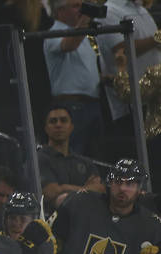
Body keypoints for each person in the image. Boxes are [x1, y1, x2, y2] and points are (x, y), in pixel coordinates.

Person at [42, 0, 102, 156]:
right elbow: (69, 45)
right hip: (71, 106)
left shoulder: (83, 34)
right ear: (60, 11)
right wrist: (84, 21)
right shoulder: (53, 33)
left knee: (94, 156)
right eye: (76, 6)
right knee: (74, 154)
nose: (81, 10)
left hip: (93, 103)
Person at [37, 104, 105, 211]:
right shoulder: (39, 159)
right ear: (46, 128)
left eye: (63, 120)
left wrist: (63, 188)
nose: (58, 125)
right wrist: (87, 189)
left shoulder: (85, 162)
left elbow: (100, 190)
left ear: (71, 127)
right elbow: (50, 192)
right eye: (53, 121)